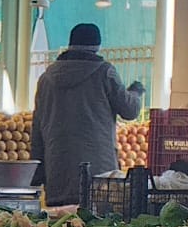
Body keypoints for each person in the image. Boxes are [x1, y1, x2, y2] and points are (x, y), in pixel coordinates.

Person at [31, 22, 145, 206]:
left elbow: (36, 130)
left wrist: (37, 173)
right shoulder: (104, 73)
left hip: (58, 172)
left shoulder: (46, 79)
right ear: (97, 47)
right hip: (98, 176)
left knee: (60, 226)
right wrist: (136, 93)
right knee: (97, 225)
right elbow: (130, 110)